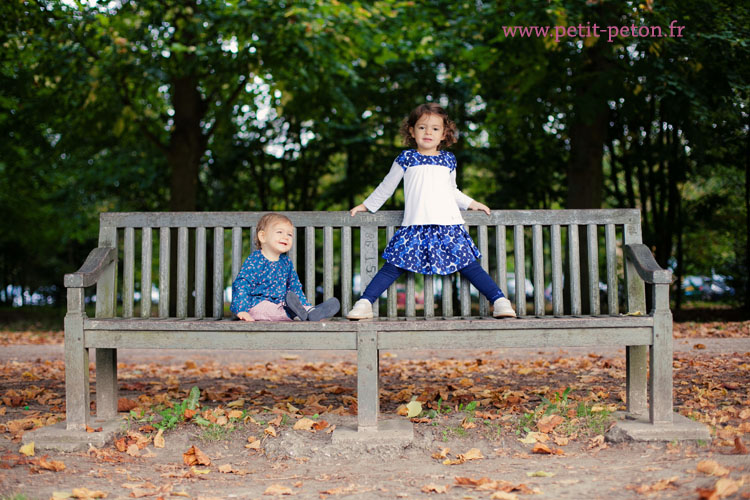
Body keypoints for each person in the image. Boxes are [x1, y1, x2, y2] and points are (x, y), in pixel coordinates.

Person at [347, 103, 516, 320]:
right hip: (415, 226)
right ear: (411, 131)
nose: (428, 133)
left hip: (448, 225)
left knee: (469, 265)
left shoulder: (448, 160)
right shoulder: (406, 158)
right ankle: (364, 303)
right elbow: (386, 186)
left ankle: (500, 301)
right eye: (422, 127)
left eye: (435, 129)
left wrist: (472, 203)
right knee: (392, 266)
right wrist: (366, 205)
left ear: (444, 133)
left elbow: (452, 190)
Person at [230, 213, 340, 322]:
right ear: (263, 236)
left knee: (287, 307)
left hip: (282, 304)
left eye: (290, 235)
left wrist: (303, 304)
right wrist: (241, 309)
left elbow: (294, 287)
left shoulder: (286, 262)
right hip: (257, 304)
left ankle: (311, 311)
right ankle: (294, 314)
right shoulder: (255, 260)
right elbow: (242, 284)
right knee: (269, 309)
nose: (285, 237)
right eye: (279, 232)